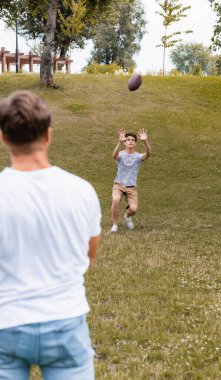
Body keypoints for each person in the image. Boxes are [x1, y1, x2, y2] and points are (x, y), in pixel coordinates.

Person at [0, 91, 101, 380]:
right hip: (65, 322)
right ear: (48, 135)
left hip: (6, 324)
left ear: (4, 138)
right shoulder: (82, 190)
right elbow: (89, 256)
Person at [111, 128, 151, 232]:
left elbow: (148, 154)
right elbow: (114, 155)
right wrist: (119, 143)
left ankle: (127, 216)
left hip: (131, 187)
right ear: (125, 142)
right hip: (118, 184)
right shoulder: (121, 154)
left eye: (132, 140)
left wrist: (146, 141)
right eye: (128, 139)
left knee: (133, 209)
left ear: (135, 143)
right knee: (115, 200)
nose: (130, 141)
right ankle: (114, 225)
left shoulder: (138, 157)